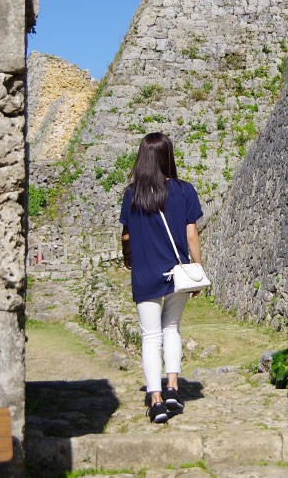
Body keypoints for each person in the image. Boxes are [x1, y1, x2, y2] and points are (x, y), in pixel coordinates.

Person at [120, 132, 204, 424]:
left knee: (150, 336)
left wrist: (128, 256)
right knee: (171, 329)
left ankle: (155, 401)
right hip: (177, 274)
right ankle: (172, 389)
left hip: (145, 273)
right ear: (169, 156)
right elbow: (191, 234)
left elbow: (127, 234)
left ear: (142, 158)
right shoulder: (184, 191)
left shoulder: (132, 194)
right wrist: (199, 267)